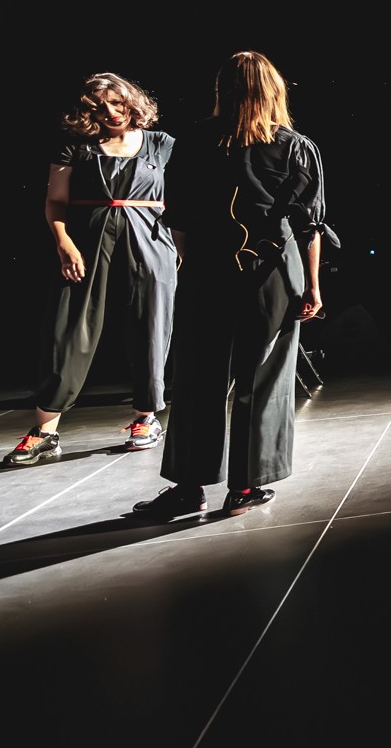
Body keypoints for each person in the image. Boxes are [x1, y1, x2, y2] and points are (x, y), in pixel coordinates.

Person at [135, 51, 332, 519]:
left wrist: (189, 265)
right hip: (273, 272)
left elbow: (177, 218)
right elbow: (310, 225)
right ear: (274, 89)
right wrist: (314, 287)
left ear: (222, 89)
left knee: (198, 377)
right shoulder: (294, 146)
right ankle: (246, 487)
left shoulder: (194, 142)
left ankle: (188, 487)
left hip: (207, 267)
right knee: (262, 377)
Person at [5, 72, 178, 466]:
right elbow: (56, 202)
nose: (112, 113)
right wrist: (64, 244)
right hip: (88, 239)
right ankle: (45, 431)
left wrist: (178, 246)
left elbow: (183, 197)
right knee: (68, 328)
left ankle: (145, 418)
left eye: (118, 103)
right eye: (100, 107)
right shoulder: (75, 147)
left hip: (149, 239)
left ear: (133, 102)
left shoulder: (162, 144)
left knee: (151, 324)